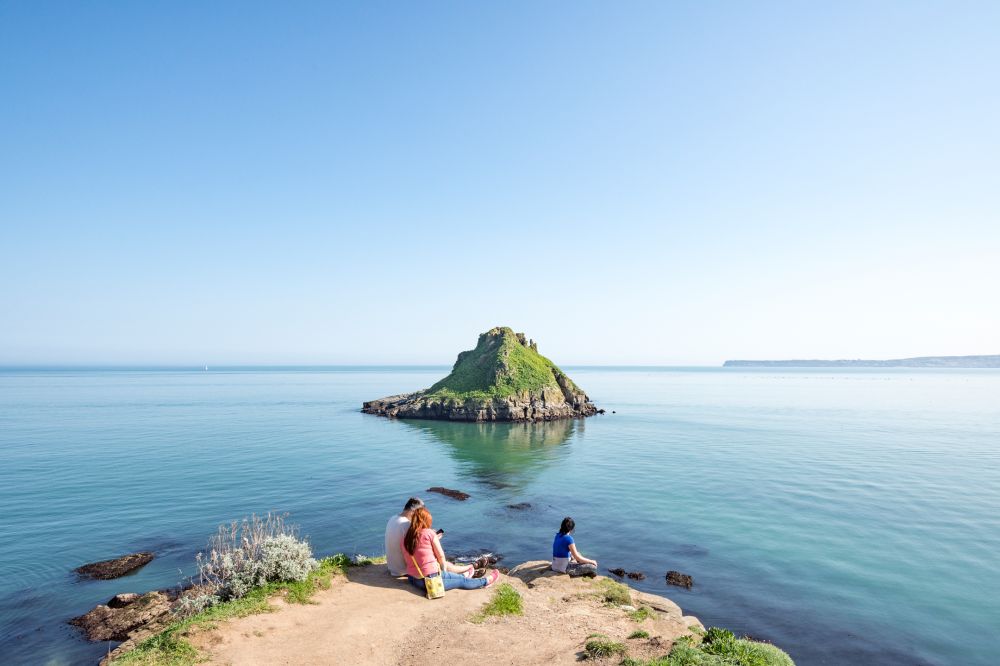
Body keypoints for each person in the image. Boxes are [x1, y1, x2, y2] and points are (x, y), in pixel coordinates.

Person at [403, 507, 499, 591]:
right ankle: (486, 581)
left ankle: (464, 575)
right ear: (425, 521)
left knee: (455, 576)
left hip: (413, 579)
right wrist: (434, 538)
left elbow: (419, 553)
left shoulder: (406, 537)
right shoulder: (429, 533)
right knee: (462, 582)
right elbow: (440, 556)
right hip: (429, 580)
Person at [385, 497, 424, 577]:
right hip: (404, 570)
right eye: (419, 513)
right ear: (413, 512)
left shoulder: (392, 518)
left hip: (393, 567)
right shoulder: (406, 525)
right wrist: (433, 539)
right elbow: (421, 548)